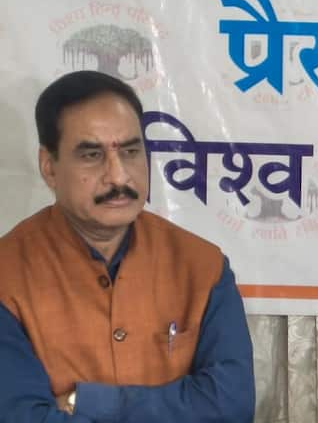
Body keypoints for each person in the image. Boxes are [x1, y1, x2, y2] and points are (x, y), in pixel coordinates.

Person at [0, 71, 255, 422]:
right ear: (49, 167)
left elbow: (232, 405)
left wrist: (84, 401)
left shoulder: (201, 265)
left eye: (131, 151)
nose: (119, 176)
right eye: (92, 155)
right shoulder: (7, 277)